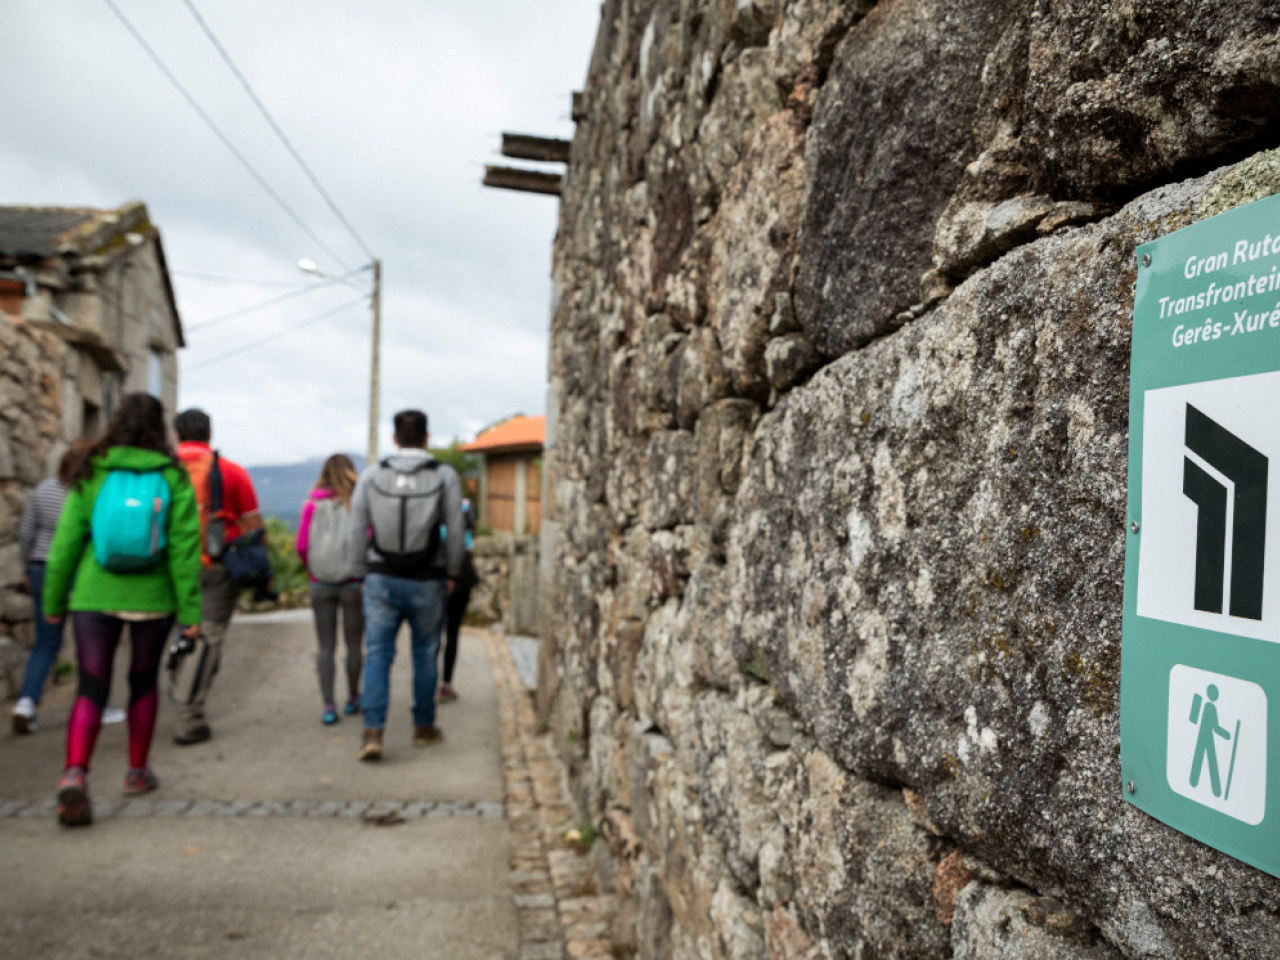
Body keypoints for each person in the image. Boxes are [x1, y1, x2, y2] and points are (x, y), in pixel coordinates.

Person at [41, 393, 202, 826]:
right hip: (152, 599)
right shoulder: (172, 475)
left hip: (94, 596)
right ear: (160, 427)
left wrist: (53, 602)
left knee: (91, 687)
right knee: (142, 683)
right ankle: (136, 772)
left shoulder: (93, 469)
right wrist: (191, 613)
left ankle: (75, 772)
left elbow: (65, 545)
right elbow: (184, 551)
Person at [349, 409, 463, 761]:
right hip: (428, 578)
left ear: (394, 438)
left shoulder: (372, 475)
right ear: (427, 438)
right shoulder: (443, 475)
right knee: (426, 653)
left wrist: (360, 572)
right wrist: (452, 572)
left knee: (378, 654)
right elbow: (455, 529)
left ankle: (372, 732)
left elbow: (357, 527)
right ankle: (423, 728)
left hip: (381, 576)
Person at [173, 407, 263, 746]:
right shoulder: (231, 472)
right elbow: (253, 526)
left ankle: (177, 687)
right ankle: (189, 717)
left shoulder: (162, 470)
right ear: (209, 435)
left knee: (178, 633)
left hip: (167, 568)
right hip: (215, 566)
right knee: (207, 637)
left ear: (177, 434)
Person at [295, 454, 365, 725]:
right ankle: (353, 698)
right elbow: (368, 538)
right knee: (354, 644)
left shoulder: (311, 504)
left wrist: (312, 570)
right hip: (352, 583)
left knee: (326, 646)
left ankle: (328, 705)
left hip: (321, 583)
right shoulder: (357, 503)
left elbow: (302, 545)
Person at [12, 448, 77, 734]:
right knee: (91, 641)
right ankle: (93, 705)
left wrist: (27, 567)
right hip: (76, 572)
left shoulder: (42, 490)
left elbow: (26, 533)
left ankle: (25, 702)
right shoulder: (85, 494)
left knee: (45, 643)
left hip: (41, 568)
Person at [439, 497, 479, 703]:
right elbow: (470, 534)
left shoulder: (433, 501)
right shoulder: (466, 505)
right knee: (453, 632)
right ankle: (446, 684)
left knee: (430, 633)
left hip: (436, 570)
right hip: (462, 572)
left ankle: (427, 685)